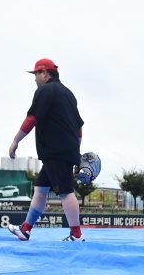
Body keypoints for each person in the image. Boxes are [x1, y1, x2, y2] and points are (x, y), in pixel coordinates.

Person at [7, 58, 85, 242]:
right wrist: (76, 151)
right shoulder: (69, 94)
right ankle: (25, 229)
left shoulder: (45, 90)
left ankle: (77, 235)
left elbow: (32, 117)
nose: (34, 79)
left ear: (44, 73)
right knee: (40, 189)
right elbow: (79, 127)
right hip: (62, 151)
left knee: (66, 191)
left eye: (36, 74)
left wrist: (15, 140)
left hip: (55, 150)